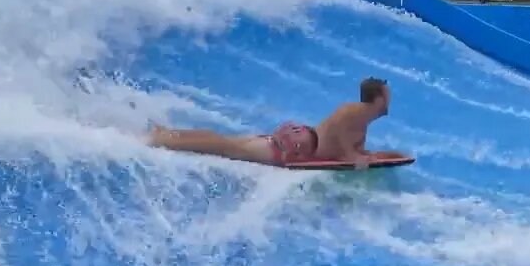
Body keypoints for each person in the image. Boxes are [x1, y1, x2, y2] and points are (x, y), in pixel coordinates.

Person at [147, 77, 398, 167]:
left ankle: (170, 134)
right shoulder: (354, 111)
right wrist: (352, 158)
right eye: (388, 96)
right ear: (378, 98)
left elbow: (351, 146)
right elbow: (342, 137)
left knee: (229, 141)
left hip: (299, 140)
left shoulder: (362, 119)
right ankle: (165, 140)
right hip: (297, 147)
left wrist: (381, 156)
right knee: (227, 147)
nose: (390, 100)